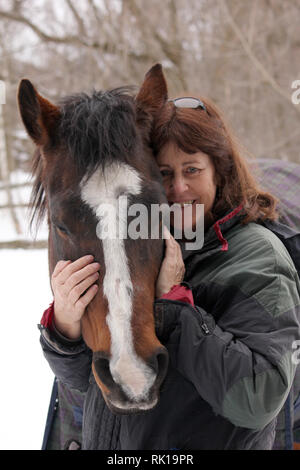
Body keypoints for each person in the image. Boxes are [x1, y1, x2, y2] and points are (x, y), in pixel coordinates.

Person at [39, 92, 300, 450]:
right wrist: (66, 328)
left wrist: (175, 307)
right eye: (163, 174)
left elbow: (258, 399)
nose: (178, 188)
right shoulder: (139, 243)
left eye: (192, 170)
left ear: (219, 171)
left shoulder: (256, 256)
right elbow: (90, 381)